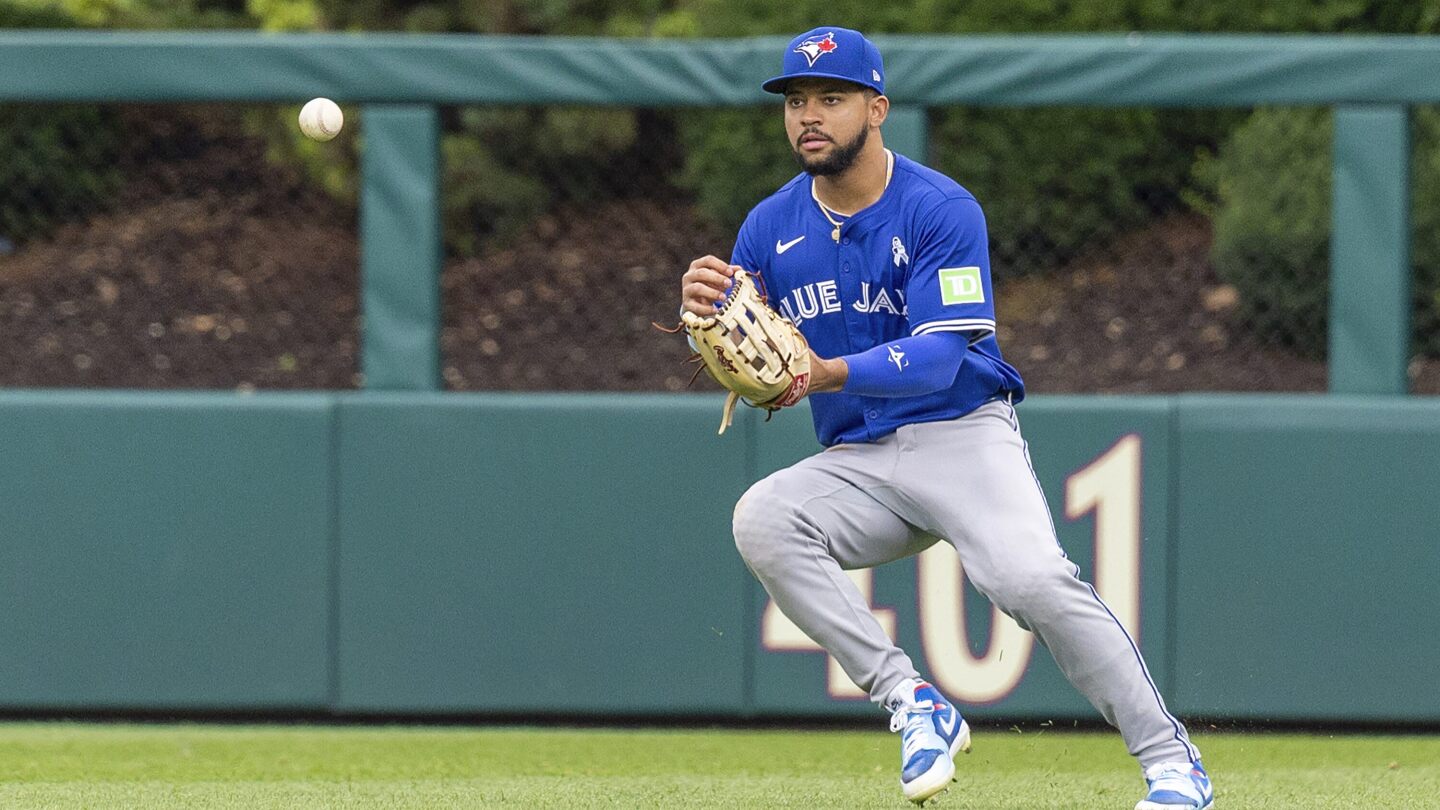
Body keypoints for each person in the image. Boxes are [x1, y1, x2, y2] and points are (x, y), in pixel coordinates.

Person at [678, 26, 1214, 809]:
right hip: (860, 458)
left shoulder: (939, 208)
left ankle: (1173, 764)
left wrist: (824, 371)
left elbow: (937, 358)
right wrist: (703, 310)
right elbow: (747, 345)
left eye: (833, 97)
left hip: (961, 435)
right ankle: (911, 700)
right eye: (796, 101)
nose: (809, 115)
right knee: (762, 516)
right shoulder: (768, 227)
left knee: (1030, 580)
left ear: (878, 107)